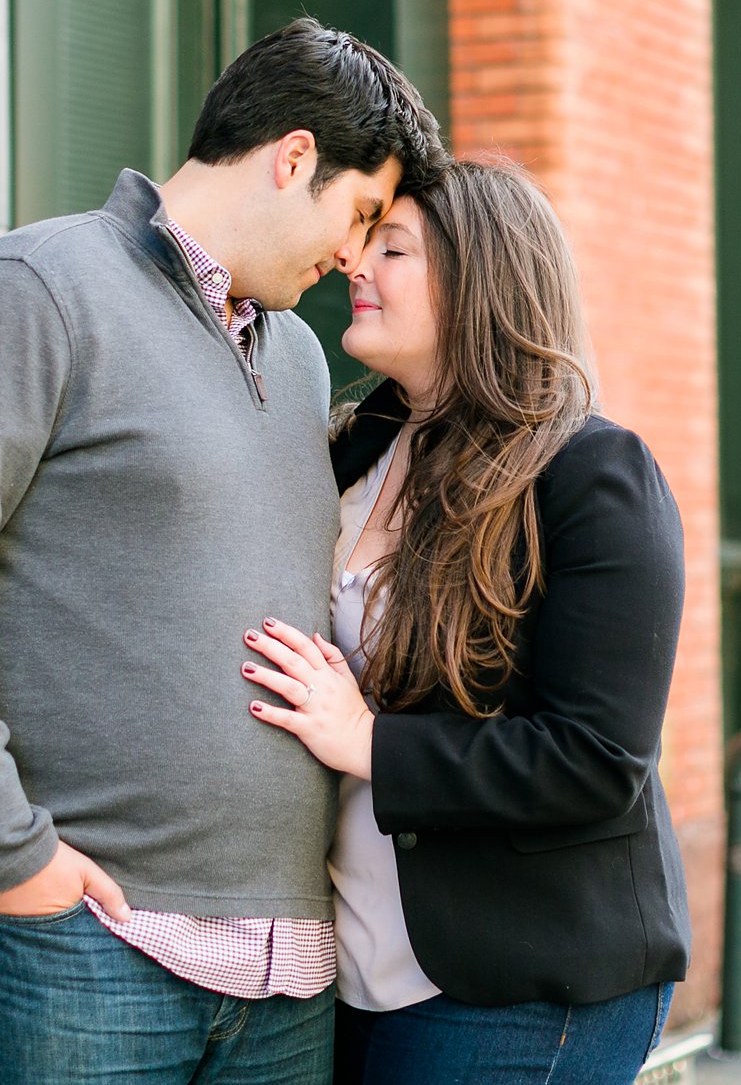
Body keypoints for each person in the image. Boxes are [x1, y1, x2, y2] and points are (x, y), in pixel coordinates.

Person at [0, 18, 444, 1084]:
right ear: (292, 157)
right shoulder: (36, 289)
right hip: (72, 950)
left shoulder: (297, 357)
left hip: (282, 974)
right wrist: (3, 853)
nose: (353, 254)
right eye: (355, 215)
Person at [237, 158, 692, 1084]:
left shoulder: (593, 475)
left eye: (392, 248)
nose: (355, 264)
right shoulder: (347, 447)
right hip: (352, 967)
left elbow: (598, 759)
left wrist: (369, 742)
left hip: (521, 981)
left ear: (481, 277)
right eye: (364, 242)